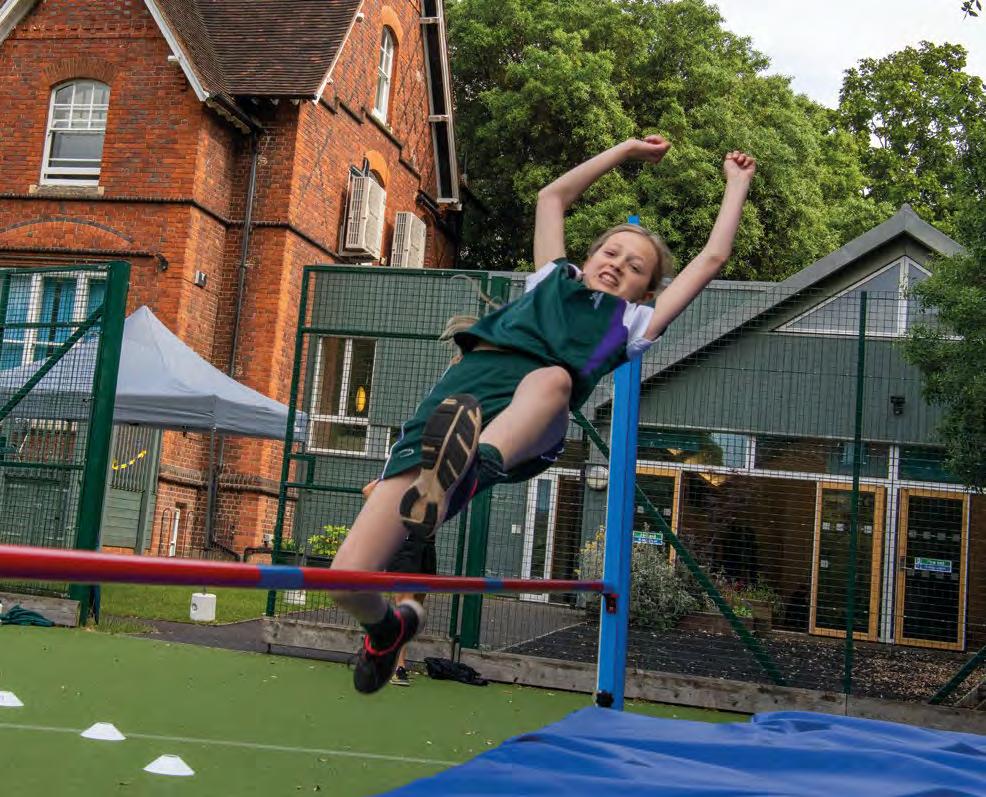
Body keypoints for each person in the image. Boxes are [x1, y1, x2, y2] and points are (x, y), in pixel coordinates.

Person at [329, 135, 757, 693]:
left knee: (552, 377)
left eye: (634, 268)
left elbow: (711, 259)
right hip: (453, 410)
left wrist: (736, 184)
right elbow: (552, 197)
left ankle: (471, 466)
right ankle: (387, 631)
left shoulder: (633, 324)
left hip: (530, 422)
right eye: (610, 253)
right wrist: (624, 151)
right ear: (589, 257)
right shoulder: (550, 278)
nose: (617, 265)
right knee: (345, 578)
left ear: (645, 291)